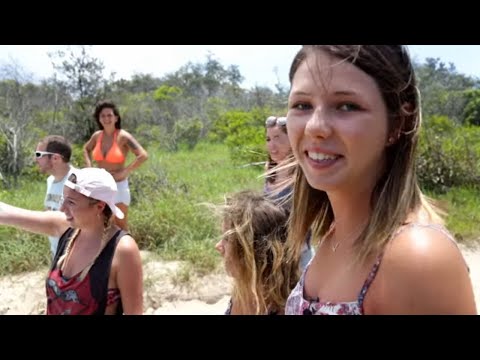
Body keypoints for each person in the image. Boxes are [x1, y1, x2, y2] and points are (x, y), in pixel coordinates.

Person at [284, 45, 477, 315]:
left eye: (347, 106)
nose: (315, 126)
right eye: (302, 105)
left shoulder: (417, 258)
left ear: (398, 122)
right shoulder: (334, 234)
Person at [0, 168, 143, 315]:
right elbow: (6, 213)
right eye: (64, 199)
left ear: (99, 206)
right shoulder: (66, 228)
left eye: (71, 202)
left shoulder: (122, 249)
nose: (62, 208)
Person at [214, 190, 299, 315]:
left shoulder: (286, 309)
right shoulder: (245, 287)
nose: (218, 246)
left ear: (253, 253)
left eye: (227, 239)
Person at [83, 100, 148, 231]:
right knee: (101, 223)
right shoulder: (97, 136)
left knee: (120, 224)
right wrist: (89, 167)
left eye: (109, 115)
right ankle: (106, 251)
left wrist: (125, 172)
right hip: (100, 185)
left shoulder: (123, 136)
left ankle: (127, 250)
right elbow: (86, 149)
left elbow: (143, 155)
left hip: (118, 185)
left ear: (116, 118)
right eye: (103, 116)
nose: (106, 119)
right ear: (99, 119)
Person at [264, 115, 313, 270]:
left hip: (298, 255)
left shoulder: (304, 173)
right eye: (268, 139)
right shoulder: (270, 170)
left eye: (277, 138)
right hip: (272, 254)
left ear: (292, 138)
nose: (272, 145)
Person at [35, 135, 76, 258]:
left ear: (56, 158)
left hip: (74, 255)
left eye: (38, 155)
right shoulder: (50, 181)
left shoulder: (77, 182)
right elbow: (48, 213)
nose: (35, 159)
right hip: (57, 253)